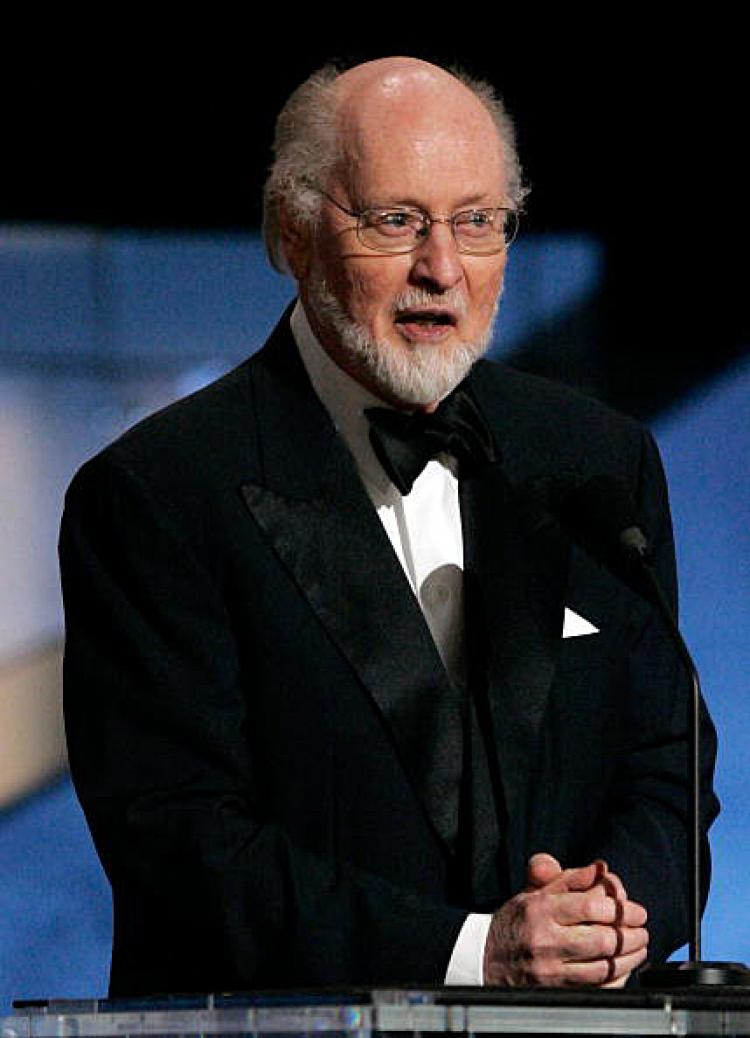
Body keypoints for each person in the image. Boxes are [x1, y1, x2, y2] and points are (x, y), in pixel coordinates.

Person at [60, 57, 718, 997]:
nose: (441, 268)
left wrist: (615, 916)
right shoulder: (157, 494)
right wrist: (470, 954)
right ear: (293, 233)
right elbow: (179, 840)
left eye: (478, 222)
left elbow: (667, 766)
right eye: (396, 220)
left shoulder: (599, 459)